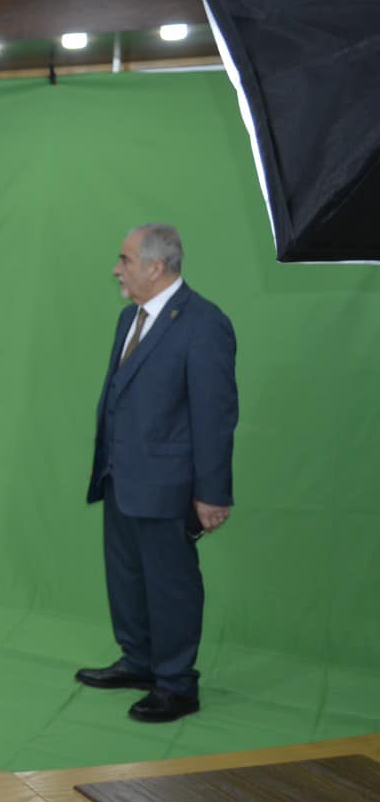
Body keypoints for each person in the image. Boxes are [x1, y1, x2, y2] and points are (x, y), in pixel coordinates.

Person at [78, 224, 237, 723]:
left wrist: (212, 493)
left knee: (171, 585)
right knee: (126, 578)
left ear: (155, 267)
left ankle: (176, 684)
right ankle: (139, 661)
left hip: (168, 488)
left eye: (124, 260)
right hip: (120, 478)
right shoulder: (130, 318)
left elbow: (215, 415)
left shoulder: (204, 323)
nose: (116, 269)